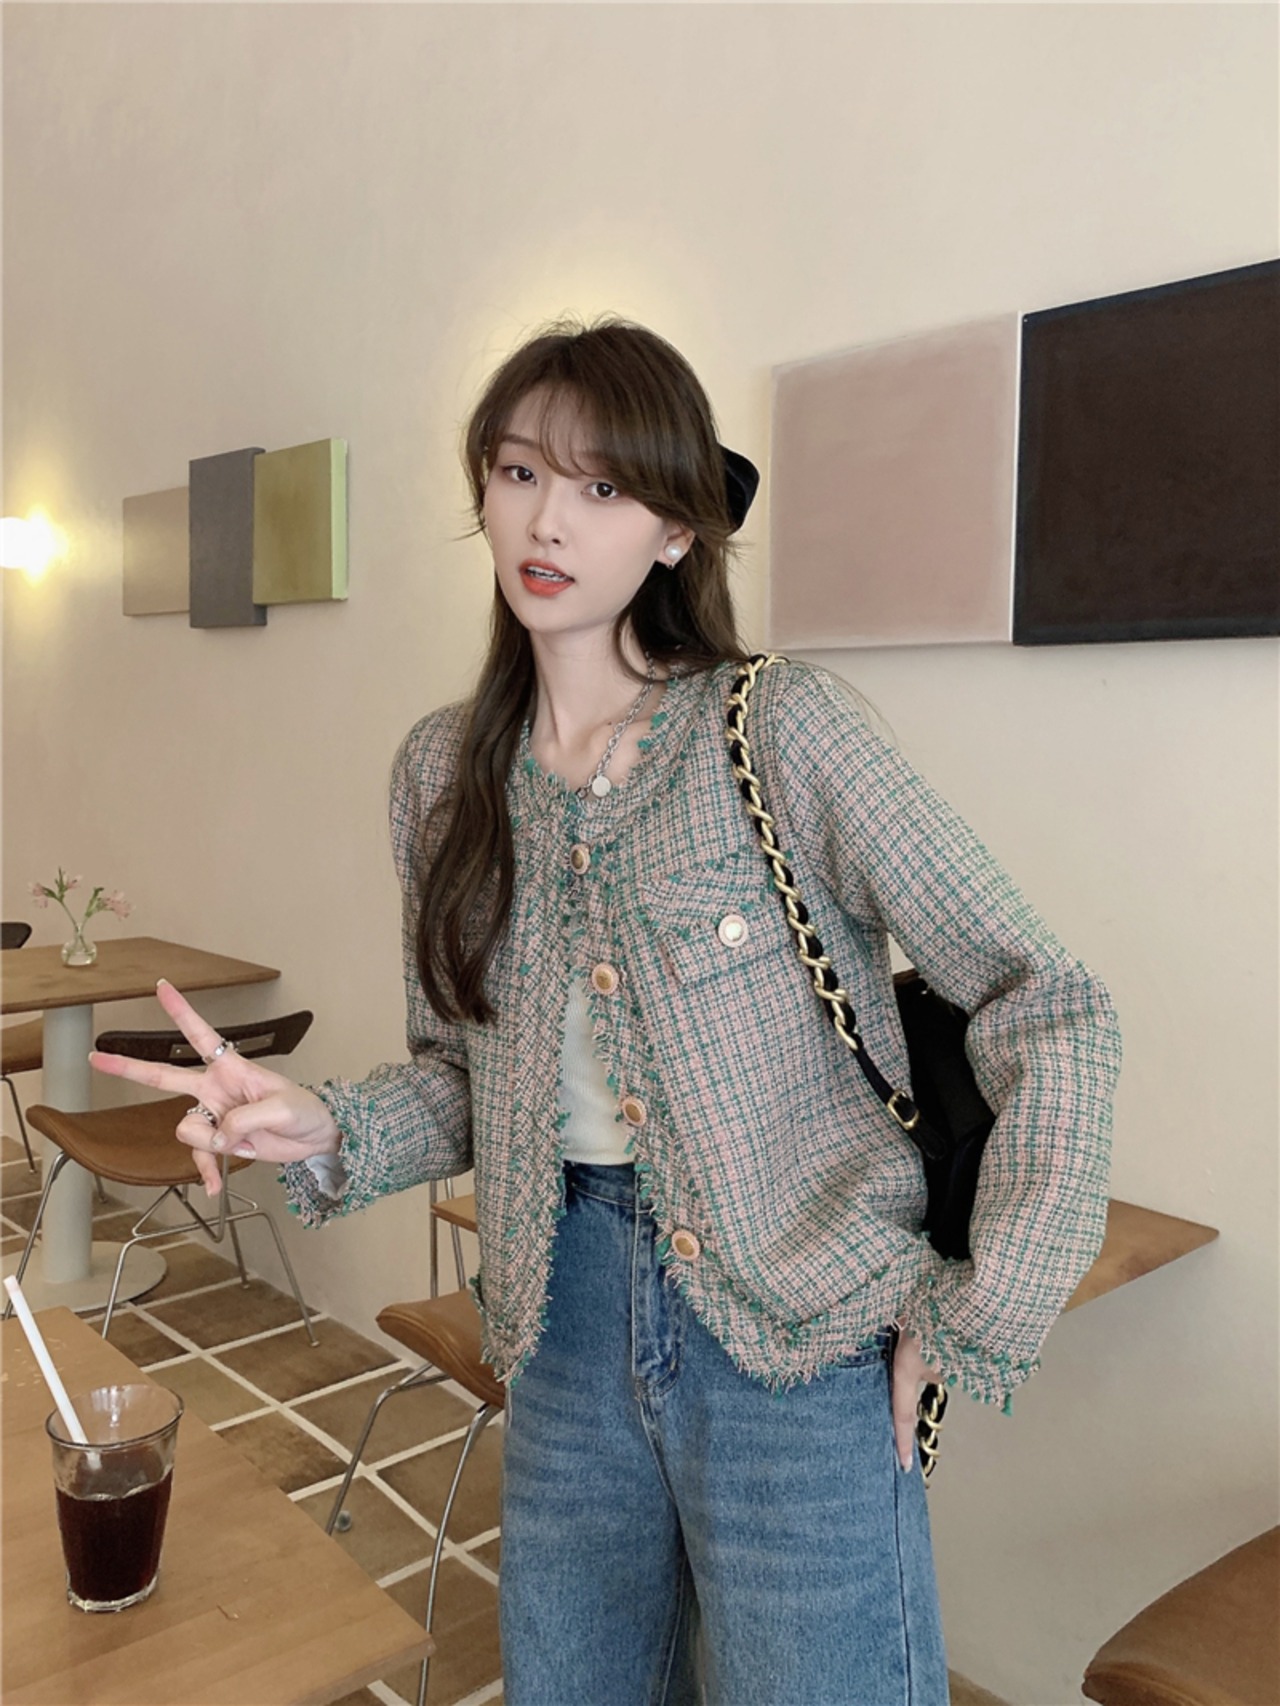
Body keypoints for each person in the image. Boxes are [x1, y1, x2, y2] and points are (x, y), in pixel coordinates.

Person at [93, 317, 1121, 1706]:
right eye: (520, 472)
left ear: (678, 531)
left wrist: (985, 1303)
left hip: (798, 1335)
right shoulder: (443, 777)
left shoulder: (781, 728)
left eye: (602, 486)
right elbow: (467, 1079)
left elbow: (1046, 998)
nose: (549, 521)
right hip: (561, 1327)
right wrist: (318, 1120)